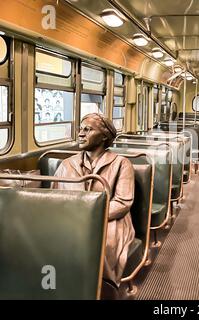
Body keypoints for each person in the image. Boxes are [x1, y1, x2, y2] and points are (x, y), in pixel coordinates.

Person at [52, 113, 135, 291]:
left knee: (101, 244)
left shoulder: (122, 164)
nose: (81, 134)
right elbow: (54, 198)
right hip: (71, 219)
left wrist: (90, 216)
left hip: (109, 219)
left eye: (88, 130)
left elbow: (122, 202)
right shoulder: (66, 164)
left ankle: (101, 289)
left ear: (105, 136)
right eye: (80, 129)